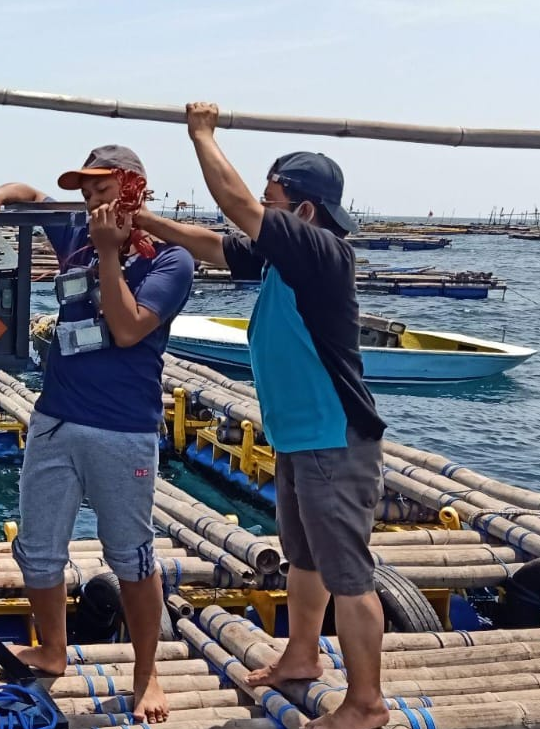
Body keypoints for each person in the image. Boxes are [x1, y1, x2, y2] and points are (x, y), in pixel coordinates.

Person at [134, 102, 389, 729]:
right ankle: (303, 655)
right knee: (303, 559)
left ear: (302, 211)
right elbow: (218, 246)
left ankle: (366, 704)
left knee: (350, 575)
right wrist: (142, 219)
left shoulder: (322, 252)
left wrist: (201, 134)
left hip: (335, 439)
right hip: (299, 438)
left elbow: (235, 205)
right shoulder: (283, 257)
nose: (262, 210)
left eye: (274, 199)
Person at [0, 145, 194, 725]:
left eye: (102, 188)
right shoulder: (73, 226)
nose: (90, 200)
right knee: (38, 549)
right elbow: (28, 194)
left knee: (131, 556)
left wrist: (108, 254)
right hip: (56, 418)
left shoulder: (172, 262)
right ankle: (51, 648)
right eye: (85, 190)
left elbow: (127, 330)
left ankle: (148, 675)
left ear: (135, 188)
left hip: (123, 430)